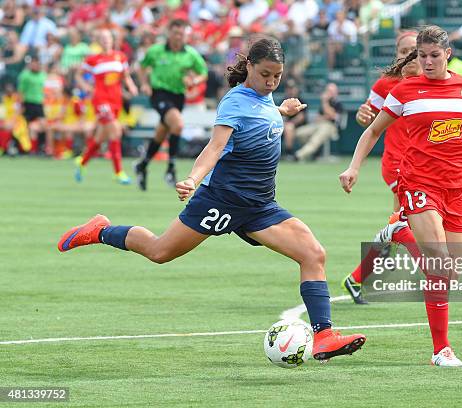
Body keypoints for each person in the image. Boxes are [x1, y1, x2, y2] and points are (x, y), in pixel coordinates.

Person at [57, 37, 366, 362]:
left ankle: (325, 336)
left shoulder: (265, 96)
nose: (271, 81)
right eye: (265, 75)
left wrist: (281, 110)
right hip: (222, 200)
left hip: (260, 206)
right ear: (249, 66)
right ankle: (101, 230)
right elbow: (215, 147)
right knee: (160, 251)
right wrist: (193, 178)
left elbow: (257, 118)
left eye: (277, 76)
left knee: (313, 254)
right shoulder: (234, 101)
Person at [339, 25, 462, 367]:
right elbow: (373, 131)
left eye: (434, 55)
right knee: (439, 266)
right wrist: (354, 167)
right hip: (418, 184)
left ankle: (397, 232)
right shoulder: (405, 90)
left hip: (456, 190)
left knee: (453, 271)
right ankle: (441, 350)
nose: (428, 62)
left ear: (448, 55)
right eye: (422, 56)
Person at [342, 30, 421, 304]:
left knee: (401, 225)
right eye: (404, 51)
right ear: (397, 57)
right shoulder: (388, 84)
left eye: (415, 50)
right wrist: (363, 115)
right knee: (410, 222)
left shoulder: (433, 84)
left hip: (425, 168)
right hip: (399, 165)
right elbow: (368, 116)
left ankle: (356, 278)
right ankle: (436, 273)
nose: (410, 56)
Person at [134, 19, 208, 191]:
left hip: (178, 96)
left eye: (182, 34)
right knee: (178, 124)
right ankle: (171, 168)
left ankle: (142, 165)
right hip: (159, 93)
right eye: (175, 33)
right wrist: (144, 83)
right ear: (169, 33)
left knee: (163, 131)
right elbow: (142, 68)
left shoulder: (190, 54)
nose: (178, 37)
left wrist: (194, 80)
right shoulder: (156, 50)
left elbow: (202, 72)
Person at [74, 29, 138, 184]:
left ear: (112, 39)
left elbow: (125, 76)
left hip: (116, 101)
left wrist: (132, 86)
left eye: (107, 38)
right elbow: (78, 75)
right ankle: (118, 172)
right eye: (102, 38)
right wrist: (86, 87)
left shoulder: (120, 57)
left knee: (101, 137)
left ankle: (82, 163)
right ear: (98, 41)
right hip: (101, 101)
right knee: (115, 130)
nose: (105, 40)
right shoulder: (93, 59)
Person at [287, 83, 343, 161]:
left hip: (331, 126)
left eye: (331, 91)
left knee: (316, 139)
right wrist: (325, 116)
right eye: (328, 90)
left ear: (335, 92)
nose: (328, 93)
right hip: (319, 124)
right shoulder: (324, 103)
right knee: (299, 133)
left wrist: (325, 102)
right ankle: (314, 151)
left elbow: (332, 116)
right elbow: (318, 117)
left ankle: (298, 156)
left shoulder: (337, 103)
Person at [17, 56, 47, 155]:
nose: (35, 65)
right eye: (33, 63)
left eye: (37, 63)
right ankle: (29, 149)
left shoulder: (43, 75)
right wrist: (21, 105)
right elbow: (21, 91)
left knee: (43, 125)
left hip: (39, 104)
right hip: (28, 103)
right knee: (26, 127)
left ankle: (41, 147)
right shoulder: (25, 75)